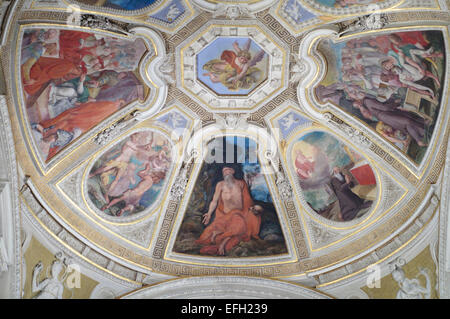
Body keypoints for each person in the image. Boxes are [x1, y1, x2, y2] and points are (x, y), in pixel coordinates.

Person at [195, 166, 262, 256]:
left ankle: (221, 239)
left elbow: (248, 201)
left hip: (238, 215)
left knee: (238, 229)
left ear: (233, 171)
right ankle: (220, 235)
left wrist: (254, 210)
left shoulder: (241, 184)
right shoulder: (220, 185)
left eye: (228, 170)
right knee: (205, 237)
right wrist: (209, 214)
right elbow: (214, 201)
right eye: (224, 171)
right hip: (223, 217)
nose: (226, 172)